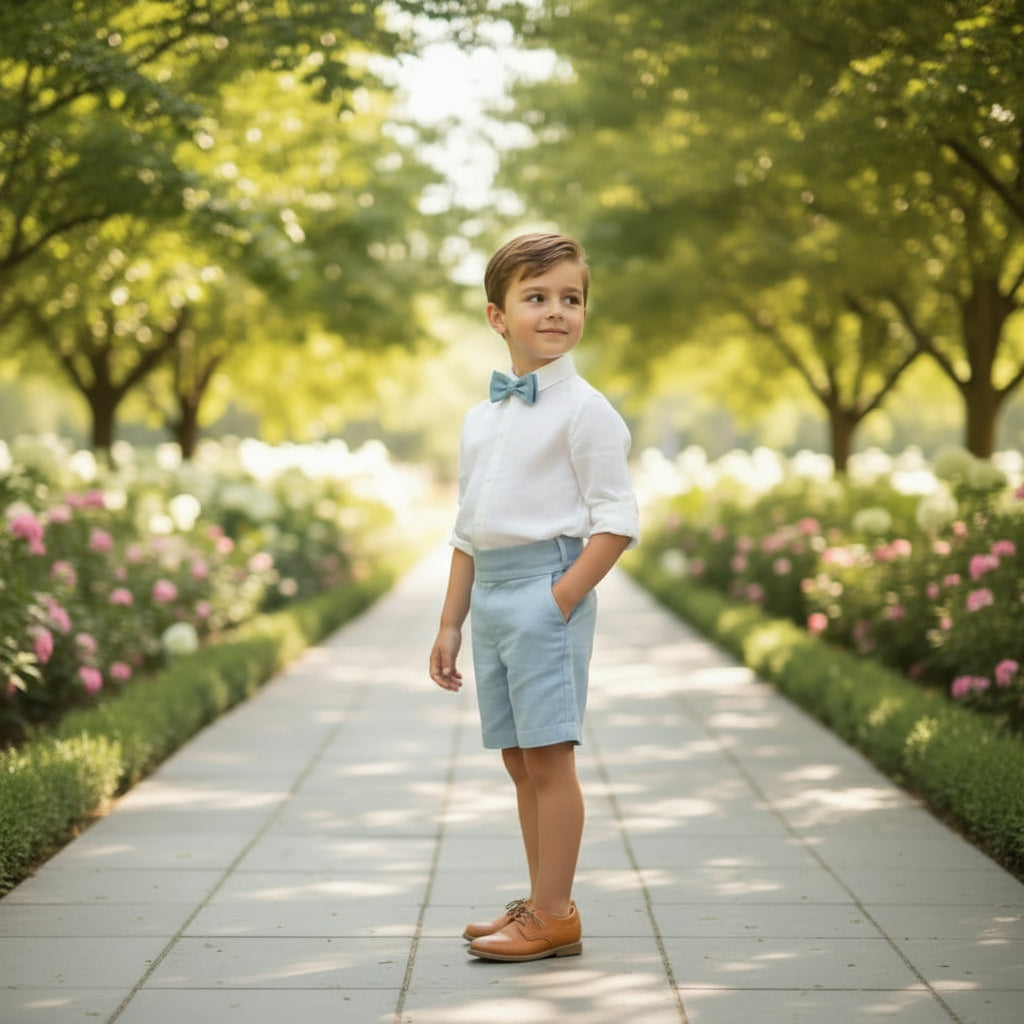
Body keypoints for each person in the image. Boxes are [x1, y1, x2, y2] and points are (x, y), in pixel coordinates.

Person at [429, 232, 639, 962]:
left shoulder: (586, 411)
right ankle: (538, 901)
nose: (557, 312)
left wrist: (560, 600)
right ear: (498, 315)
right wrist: (450, 623)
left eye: (571, 299)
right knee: (519, 759)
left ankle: (555, 913)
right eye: (537, 297)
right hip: (489, 595)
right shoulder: (481, 419)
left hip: (547, 591)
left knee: (551, 760)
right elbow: (466, 530)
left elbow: (617, 522)